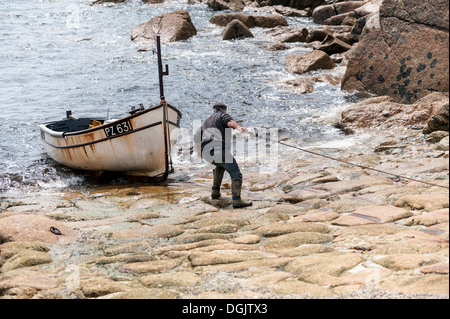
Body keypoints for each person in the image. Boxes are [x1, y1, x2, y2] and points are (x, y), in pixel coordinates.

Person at [196, 102, 252, 208]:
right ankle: (237, 201)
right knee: (236, 173)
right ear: (224, 109)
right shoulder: (222, 115)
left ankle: (215, 193)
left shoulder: (206, 121)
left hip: (207, 153)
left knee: (220, 166)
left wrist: (200, 152)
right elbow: (230, 122)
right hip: (218, 151)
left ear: (213, 110)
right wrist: (239, 127)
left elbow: (198, 136)